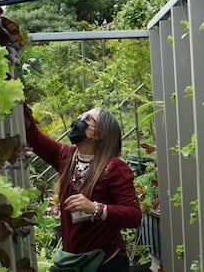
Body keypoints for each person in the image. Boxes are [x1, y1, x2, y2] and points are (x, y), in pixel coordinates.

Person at [24, 104, 142, 272]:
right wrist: (19, 103)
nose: (78, 120)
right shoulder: (66, 156)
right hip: (72, 261)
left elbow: (134, 216)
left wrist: (95, 208)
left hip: (106, 261)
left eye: (87, 119)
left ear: (99, 134)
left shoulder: (114, 167)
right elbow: (33, 137)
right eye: (81, 116)